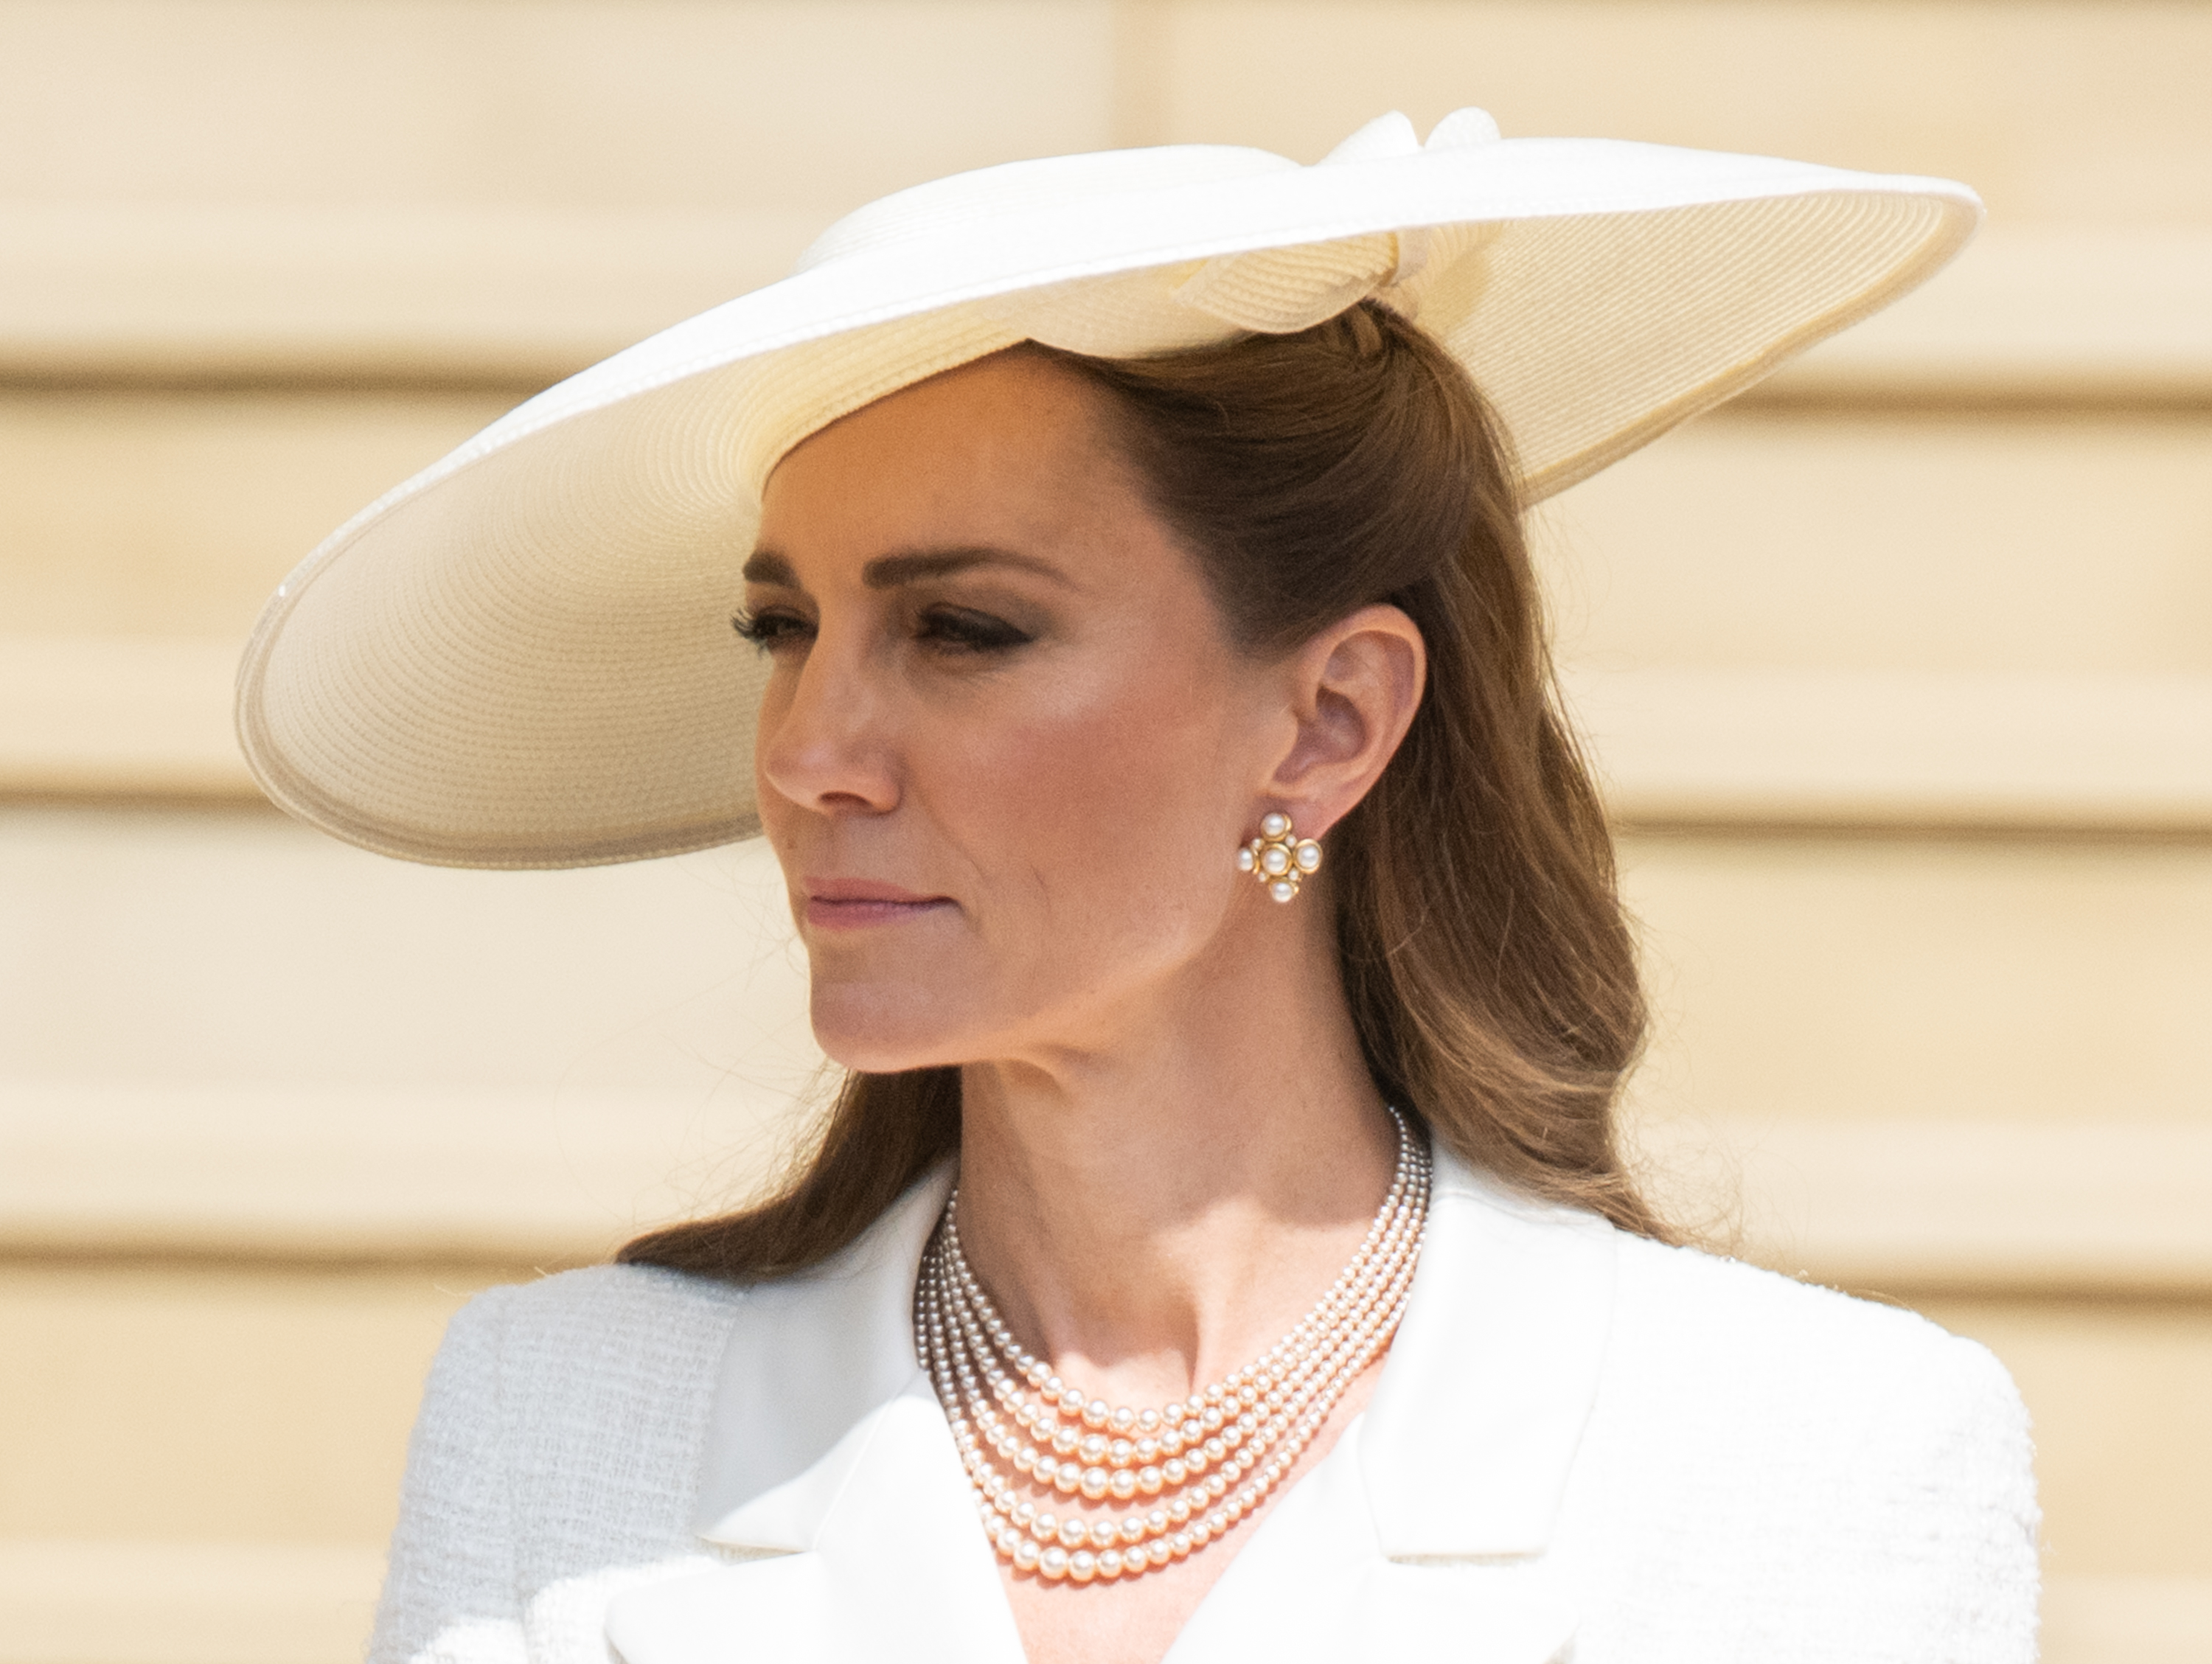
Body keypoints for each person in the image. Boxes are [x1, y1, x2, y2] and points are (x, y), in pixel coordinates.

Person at [238, 111, 2039, 1664]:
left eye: (963, 629)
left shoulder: (1807, 1456)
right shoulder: (568, 1422)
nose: (808, 753)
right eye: (784, 629)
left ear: (1328, 722)